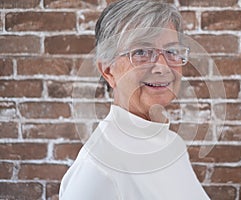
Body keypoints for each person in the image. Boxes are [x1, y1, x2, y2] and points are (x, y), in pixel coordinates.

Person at [59, 0, 211, 199]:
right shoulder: (98, 169)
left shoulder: (174, 145)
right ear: (108, 71)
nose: (162, 67)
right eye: (141, 52)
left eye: (172, 51)